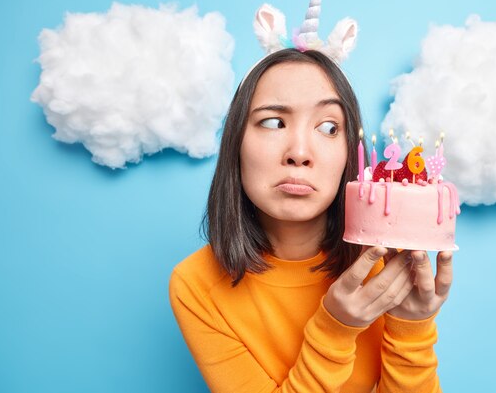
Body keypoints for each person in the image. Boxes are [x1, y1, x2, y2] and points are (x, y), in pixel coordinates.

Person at [168, 47, 453, 393]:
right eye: (273, 122)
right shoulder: (196, 285)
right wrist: (335, 328)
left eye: (329, 127)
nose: (299, 153)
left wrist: (412, 326)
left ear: (350, 151)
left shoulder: (387, 269)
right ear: (235, 144)